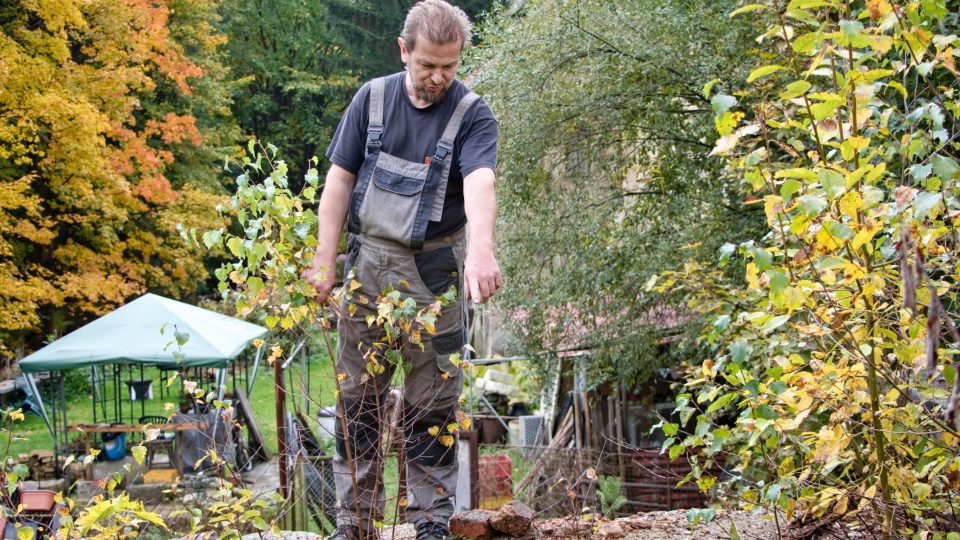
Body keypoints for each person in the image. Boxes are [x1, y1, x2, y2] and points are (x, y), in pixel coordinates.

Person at [303, 1, 501, 539]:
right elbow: (339, 182)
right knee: (357, 405)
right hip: (365, 269)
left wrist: (481, 250)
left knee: (432, 405)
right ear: (403, 50)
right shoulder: (371, 100)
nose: (438, 77)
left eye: (450, 66)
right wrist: (325, 260)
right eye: (427, 65)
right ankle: (356, 521)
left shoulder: (473, 114)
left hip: (433, 274)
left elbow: (480, 180)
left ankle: (432, 522)